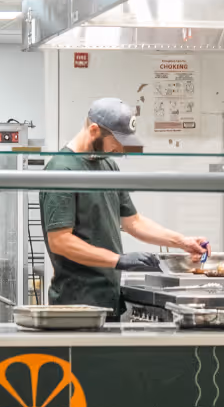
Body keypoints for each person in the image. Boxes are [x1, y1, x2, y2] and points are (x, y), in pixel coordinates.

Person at [40, 98, 210, 320]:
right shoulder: (61, 170)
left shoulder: (108, 166)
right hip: (76, 304)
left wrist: (182, 241)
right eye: (116, 141)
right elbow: (60, 241)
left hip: (108, 298)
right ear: (94, 130)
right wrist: (118, 260)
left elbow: (133, 222)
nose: (120, 148)